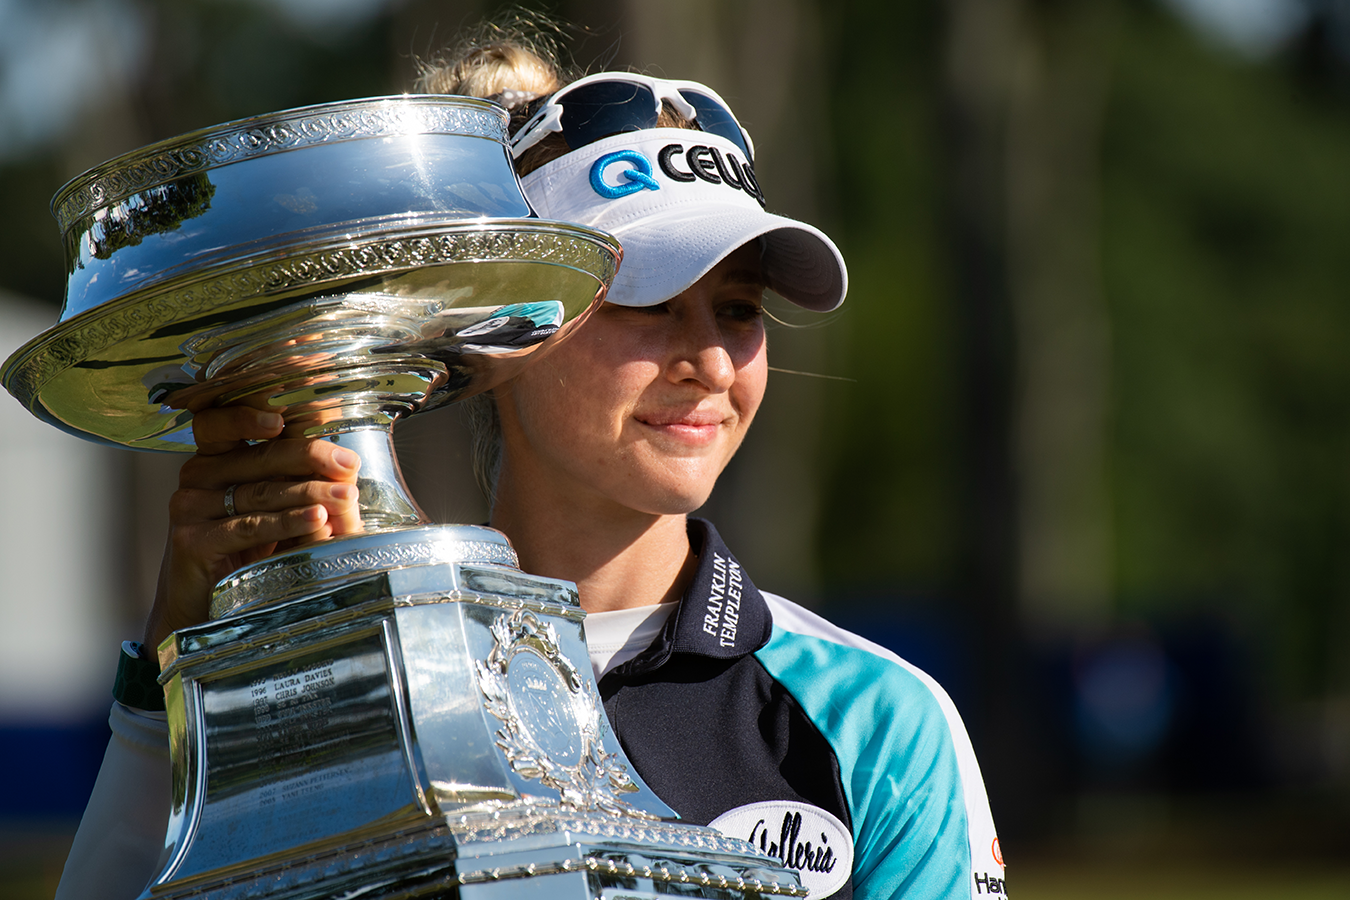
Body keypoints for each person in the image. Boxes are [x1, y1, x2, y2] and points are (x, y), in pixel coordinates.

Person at [56, 32, 1004, 900]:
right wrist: (179, 662)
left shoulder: (876, 722)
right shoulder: (354, 670)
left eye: (740, 309)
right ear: (510, 320)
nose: (711, 361)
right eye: (651, 299)